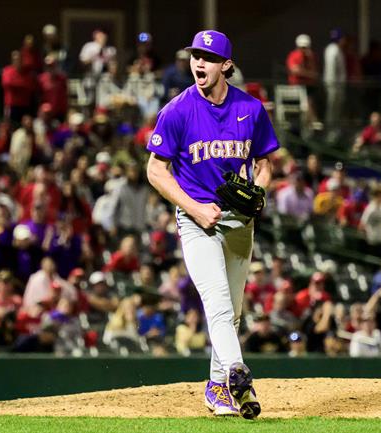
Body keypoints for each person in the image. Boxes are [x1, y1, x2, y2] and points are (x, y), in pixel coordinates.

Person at [146, 30, 279, 419]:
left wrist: (259, 190)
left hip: (239, 221)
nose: (198, 63)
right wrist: (195, 208)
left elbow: (265, 163)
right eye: (195, 56)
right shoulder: (176, 110)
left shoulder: (251, 108)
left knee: (232, 310)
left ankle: (217, 387)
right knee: (218, 303)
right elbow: (156, 171)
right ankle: (239, 374)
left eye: (207, 57)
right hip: (196, 220)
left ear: (225, 65)